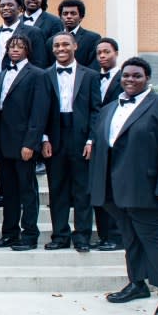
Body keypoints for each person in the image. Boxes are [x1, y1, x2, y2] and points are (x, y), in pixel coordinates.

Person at [89, 57, 158, 315]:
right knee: (130, 238)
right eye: (126, 75)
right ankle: (137, 283)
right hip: (113, 190)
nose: (130, 80)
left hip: (147, 189)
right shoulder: (109, 108)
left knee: (156, 241)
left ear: (147, 78)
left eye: (137, 76)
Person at [41, 31, 101, 252]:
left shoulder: (90, 75)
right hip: (55, 137)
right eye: (56, 45)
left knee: (82, 190)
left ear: (75, 46)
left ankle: (82, 236)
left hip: (80, 136)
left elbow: (96, 110)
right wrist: (44, 138)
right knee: (57, 189)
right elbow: (41, 111)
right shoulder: (45, 75)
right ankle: (60, 235)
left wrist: (91, 140)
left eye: (65, 44)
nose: (60, 49)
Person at [0, 34, 48, 251]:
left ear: (27, 50)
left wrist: (31, 144)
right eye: (11, 46)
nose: (15, 50)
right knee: (9, 192)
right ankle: (9, 233)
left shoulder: (37, 75)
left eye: (20, 47)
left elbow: (39, 112)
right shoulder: (3, 73)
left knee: (27, 190)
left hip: (23, 143)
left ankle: (30, 234)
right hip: (3, 143)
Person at [93, 37, 124, 251]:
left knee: (114, 191)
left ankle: (116, 236)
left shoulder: (126, 78)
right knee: (100, 190)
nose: (102, 56)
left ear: (116, 53)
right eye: (99, 53)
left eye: (107, 52)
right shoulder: (93, 78)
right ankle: (105, 236)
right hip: (97, 142)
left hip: (117, 144)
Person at [0, 0, 47, 70]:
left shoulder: (34, 32)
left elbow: (39, 63)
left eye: (10, 5)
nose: (5, 8)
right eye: (2, 6)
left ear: (19, 9)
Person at [45, 0, 102, 70]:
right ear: (60, 17)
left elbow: (95, 66)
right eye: (65, 14)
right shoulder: (51, 41)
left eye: (73, 13)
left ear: (81, 17)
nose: (68, 16)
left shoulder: (93, 38)